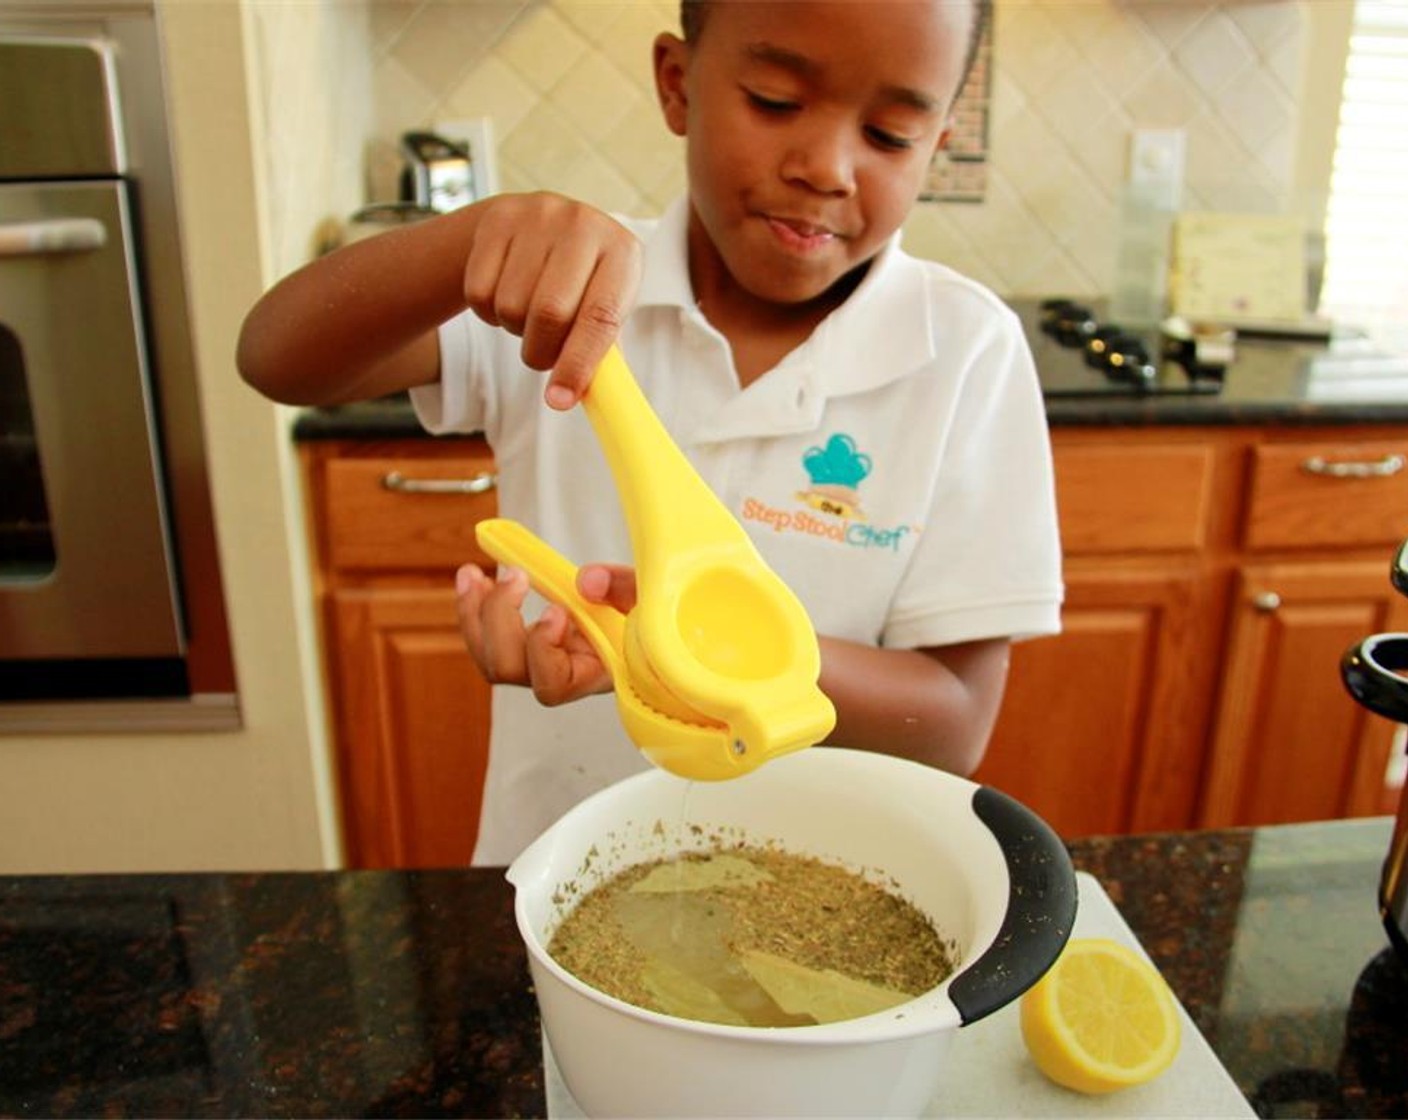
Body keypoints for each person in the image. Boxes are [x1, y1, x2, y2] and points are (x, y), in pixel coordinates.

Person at [238, 0, 1062, 865]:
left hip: (825, 889)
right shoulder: (562, 289)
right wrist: (468, 243)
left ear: (938, 142)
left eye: (891, 134)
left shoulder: (966, 351)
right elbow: (278, 359)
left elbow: (953, 727)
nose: (826, 167)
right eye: (776, 101)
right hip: (553, 874)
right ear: (678, 85)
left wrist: (697, 654)